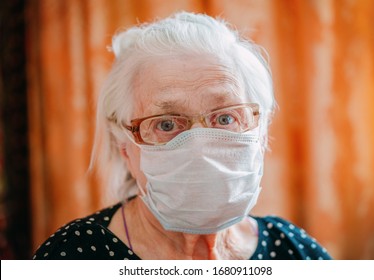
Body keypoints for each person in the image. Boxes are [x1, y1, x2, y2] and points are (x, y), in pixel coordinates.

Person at [33, 11, 332, 260]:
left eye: (225, 117)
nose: (200, 147)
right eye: (165, 124)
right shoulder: (76, 254)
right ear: (125, 145)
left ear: (261, 132)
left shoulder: (293, 251)